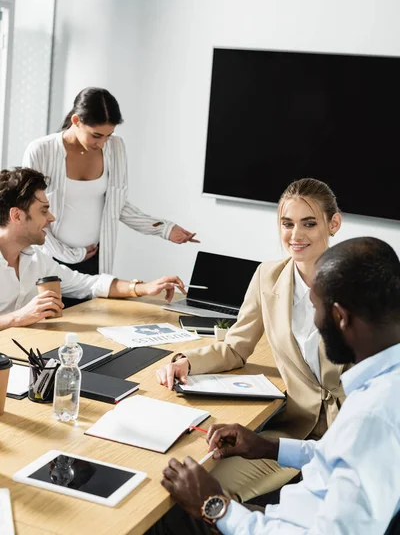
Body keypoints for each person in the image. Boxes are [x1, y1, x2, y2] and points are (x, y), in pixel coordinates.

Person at [148, 237, 400, 534]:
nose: (315, 323)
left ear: (339, 317)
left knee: (162, 515)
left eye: (315, 309)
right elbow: (343, 456)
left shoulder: (373, 416)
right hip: (291, 515)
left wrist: (214, 505)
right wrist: (268, 446)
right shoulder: (382, 382)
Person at [156, 177, 347, 501]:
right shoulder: (267, 276)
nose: (295, 235)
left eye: (309, 223)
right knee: (194, 486)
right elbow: (236, 346)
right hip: (292, 433)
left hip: (350, 435)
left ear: (334, 223)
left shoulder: (358, 281)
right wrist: (187, 361)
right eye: (287, 224)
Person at [22, 87, 199, 281]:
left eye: (109, 135)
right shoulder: (40, 150)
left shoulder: (116, 148)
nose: (103, 143)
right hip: (50, 260)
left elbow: (117, 204)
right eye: (96, 135)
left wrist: (164, 228)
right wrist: (69, 254)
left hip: (96, 259)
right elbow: (31, 213)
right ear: (76, 121)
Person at [0, 167, 185, 330]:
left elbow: (88, 284)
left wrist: (143, 288)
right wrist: (18, 317)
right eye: (43, 210)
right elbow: (19, 318)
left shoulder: (37, 259)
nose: (51, 218)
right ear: (17, 215)